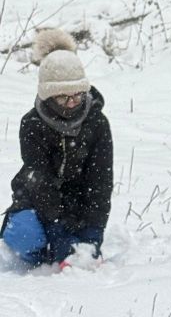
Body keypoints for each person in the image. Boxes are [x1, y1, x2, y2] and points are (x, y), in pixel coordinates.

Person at [0, 28, 113, 268]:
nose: (72, 103)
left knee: (84, 238)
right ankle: (45, 257)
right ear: (48, 95)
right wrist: (59, 236)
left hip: (81, 202)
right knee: (23, 236)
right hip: (37, 199)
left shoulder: (97, 123)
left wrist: (93, 235)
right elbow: (40, 182)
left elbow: (100, 183)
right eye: (63, 97)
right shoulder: (32, 124)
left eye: (77, 96)